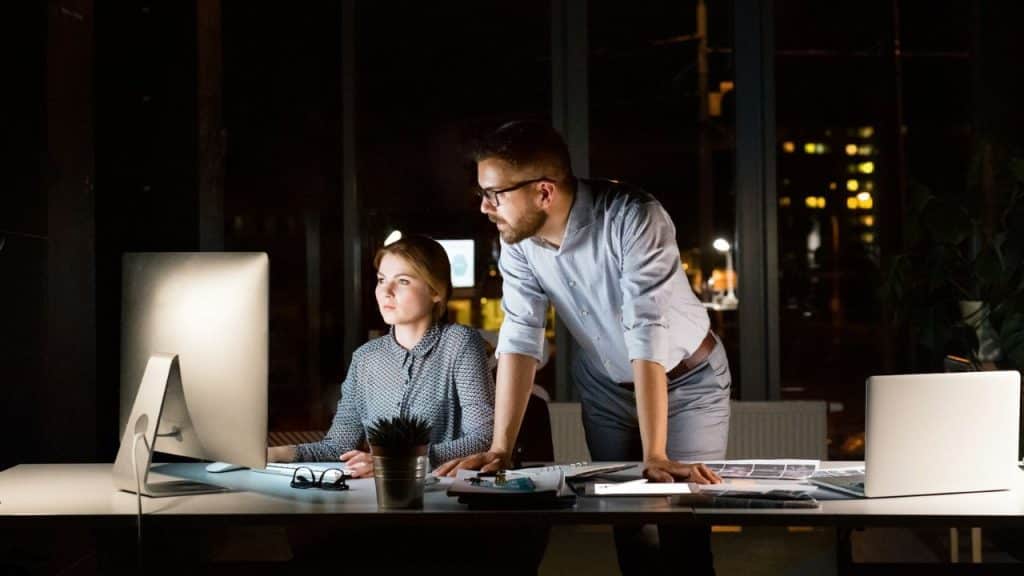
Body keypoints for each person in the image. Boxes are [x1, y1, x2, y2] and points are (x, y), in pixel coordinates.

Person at [435, 120, 731, 574]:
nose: (484, 207)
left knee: (682, 522)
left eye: (495, 194)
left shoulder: (634, 216)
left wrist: (654, 454)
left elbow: (647, 331)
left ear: (544, 192)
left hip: (688, 379)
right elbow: (519, 335)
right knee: (628, 526)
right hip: (604, 385)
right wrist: (499, 447)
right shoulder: (516, 240)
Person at [268, 234, 495, 477]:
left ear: (436, 291)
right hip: (374, 496)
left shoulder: (459, 343)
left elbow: (482, 437)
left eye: (403, 281)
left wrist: (394, 462)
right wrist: (278, 454)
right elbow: (338, 446)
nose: (386, 291)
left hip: (443, 495)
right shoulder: (365, 358)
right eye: (381, 280)